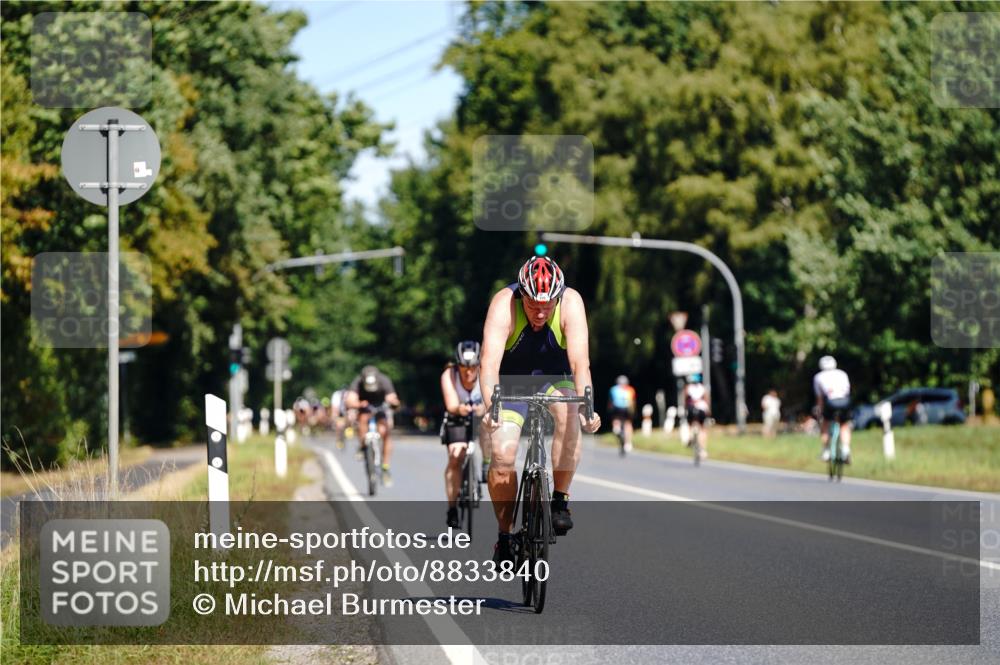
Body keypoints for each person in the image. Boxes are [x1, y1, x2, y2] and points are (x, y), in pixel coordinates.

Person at [480, 255, 601, 564]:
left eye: (547, 306)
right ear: (522, 295)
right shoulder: (503, 303)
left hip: (553, 379)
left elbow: (579, 363)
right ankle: (505, 534)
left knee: (570, 413)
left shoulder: (571, 303)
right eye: (533, 305)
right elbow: (489, 363)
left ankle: (560, 501)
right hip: (510, 382)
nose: (540, 312)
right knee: (503, 454)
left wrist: (587, 404)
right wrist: (491, 406)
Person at [440, 340, 488, 528]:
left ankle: (486, 462)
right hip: (457, 416)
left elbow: (491, 399)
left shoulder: (486, 372)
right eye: (463, 367)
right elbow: (451, 404)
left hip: (480, 415)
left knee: (488, 426)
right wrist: (461, 409)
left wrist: (481, 408)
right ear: (457, 365)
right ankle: (452, 508)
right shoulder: (449, 375)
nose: (468, 372)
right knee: (455, 456)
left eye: (473, 367)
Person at [344, 365, 401, 486]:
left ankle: (385, 467)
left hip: (380, 407)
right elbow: (350, 399)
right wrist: (358, 404)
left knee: (385, 432)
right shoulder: (358, 381)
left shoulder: (384, 381)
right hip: (364, 406)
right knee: (362, 420)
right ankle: (363, 445)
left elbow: (392, 397)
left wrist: (393, 402)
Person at [813, 355, 852, 463]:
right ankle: (846, 450)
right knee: (844, 425)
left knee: (825, 424)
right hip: (845, 401)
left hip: (831, 402)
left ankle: (826, 452)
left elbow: (820, 398)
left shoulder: (818, 377)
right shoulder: (842, 373)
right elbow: (847, 391)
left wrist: (820, 411)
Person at [683, 374, 710, 459]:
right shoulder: (703, 388)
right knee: (702, 429)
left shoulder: (688, 387)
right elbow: (707, 400)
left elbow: (685, 399)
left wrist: (685, 408)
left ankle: (690, 437)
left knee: (690, 424)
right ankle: (703, 449)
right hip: (702, 410)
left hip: (691, 409)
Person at [608, 375, 636, 453]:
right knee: (628, 424)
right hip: (627, 408)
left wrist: (610, 410)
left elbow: (610, 401)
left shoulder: (613, 389)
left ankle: (617, 428)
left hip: (616, 408)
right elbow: (633, 402)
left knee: (616, 419)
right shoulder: (631, 389)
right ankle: (628, 443)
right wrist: (633, 411)